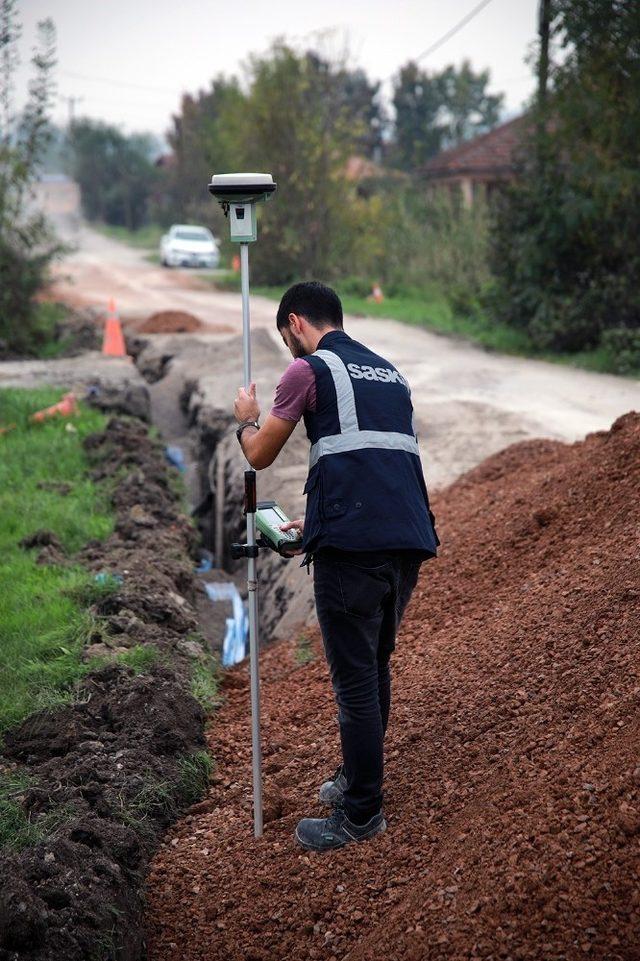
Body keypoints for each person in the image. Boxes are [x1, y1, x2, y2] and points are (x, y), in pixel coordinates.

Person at [233, 281, 439, 852]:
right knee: (374, 666)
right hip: (404, 542)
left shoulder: (308, 370)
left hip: (353, 553)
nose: (290, 354)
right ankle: (358, 779)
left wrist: (246, 418)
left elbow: (259, 454)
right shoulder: (389, 372)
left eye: (286, 340)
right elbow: (367, 461)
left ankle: (362, 812)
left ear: (295, 322)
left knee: (354, 680)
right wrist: (316, 522)